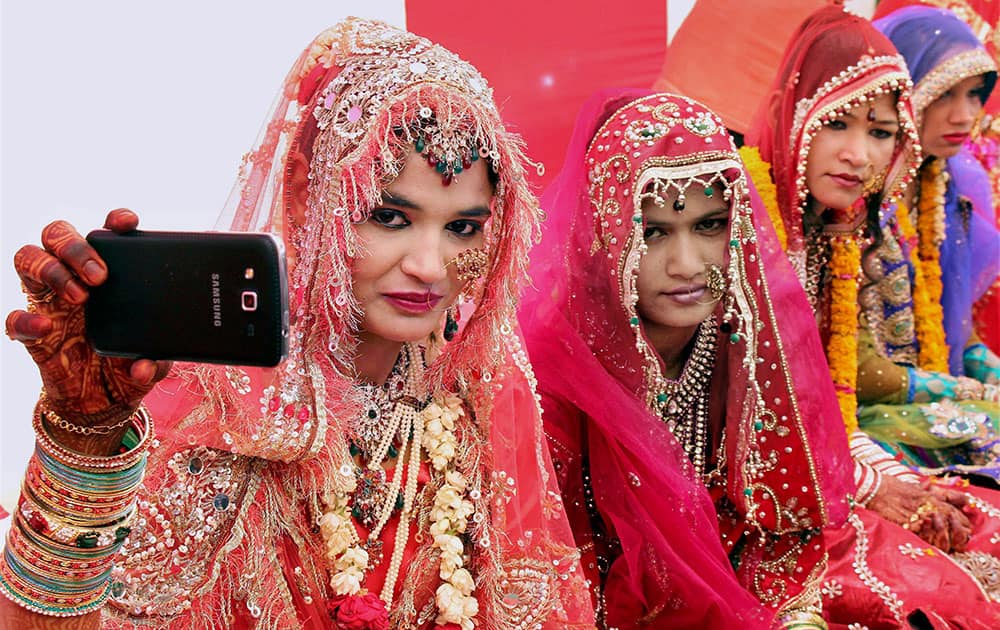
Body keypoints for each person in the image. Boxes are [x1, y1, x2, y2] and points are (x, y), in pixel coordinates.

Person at [1, 18, 595, 629]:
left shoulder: (480, 397)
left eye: (463, 227)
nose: (429, 266)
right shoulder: (215, 408)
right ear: (307, 199)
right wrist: (82, 439)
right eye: (389, 217)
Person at [521, 88, 857, 629]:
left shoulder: (745, 341)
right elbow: (545, 571)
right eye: (651, 232)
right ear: (605, 231)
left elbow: (788, 529)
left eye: (709, 225)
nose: (687, 265)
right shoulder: (552, 373)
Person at [745, 5, 1000, 624]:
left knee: (976, 529)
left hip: (838, 464)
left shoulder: (836, 230)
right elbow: (759, 427)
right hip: (760, 506)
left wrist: (887, 481)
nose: (859, 155)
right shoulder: (743, 233)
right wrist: (873, 485)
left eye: (880, 133)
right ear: (795, 112)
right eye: (838, 123)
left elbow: (831, 407)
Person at [861, 4, 1000, 480]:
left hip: (929, 400)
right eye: (944, 94)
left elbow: (954, 327)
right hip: (864, 418)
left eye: (975, 94)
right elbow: (842, 363)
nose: (964, 116)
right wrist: (965, 392)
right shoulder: (848, 194)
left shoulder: (948, 186)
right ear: (901, 91)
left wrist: (990, 374)